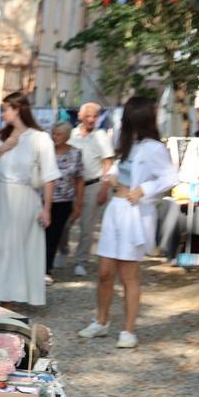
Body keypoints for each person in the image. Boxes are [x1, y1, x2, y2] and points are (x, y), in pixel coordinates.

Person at [78, 96, 178, 349]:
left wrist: (143, 189)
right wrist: (110, 177)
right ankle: (101, 322)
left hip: (135, 212)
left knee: (129, 276)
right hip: (116, 210)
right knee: (104, 273)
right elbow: (118, 168)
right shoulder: (127, 143)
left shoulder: (154, 147)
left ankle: (129, 330)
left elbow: (169, 177)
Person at [0, 91, 57, 306]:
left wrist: (47, 209)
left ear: (17, 109)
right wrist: (3, 149)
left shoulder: (40, 138)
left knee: (12, 247)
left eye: (5, 109)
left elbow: (50, 175)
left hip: (23, 198)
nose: (2, 114)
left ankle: (8, 297)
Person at [66, 100, 115, 276]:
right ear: (80, 116)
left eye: (94, 116)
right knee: (65, 222)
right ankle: (63, 249)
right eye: (88, 116)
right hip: (71, 186)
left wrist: (104, 188)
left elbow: (107, 163)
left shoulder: (101, 136)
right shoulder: (72, 134)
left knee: (87, 227)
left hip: (93, 184)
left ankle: (81, 260)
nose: (91, 119)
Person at [45, 120, 84, 278]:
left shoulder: (75, 153)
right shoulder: (46, 151)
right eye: (53, 133)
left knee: (54, 235)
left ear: (67, 135)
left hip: (63, 201)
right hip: (43, 199)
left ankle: (46, 268)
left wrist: (78, 203)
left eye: (59, 134)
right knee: (40, 235)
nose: (55, 137)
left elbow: (79, 179)